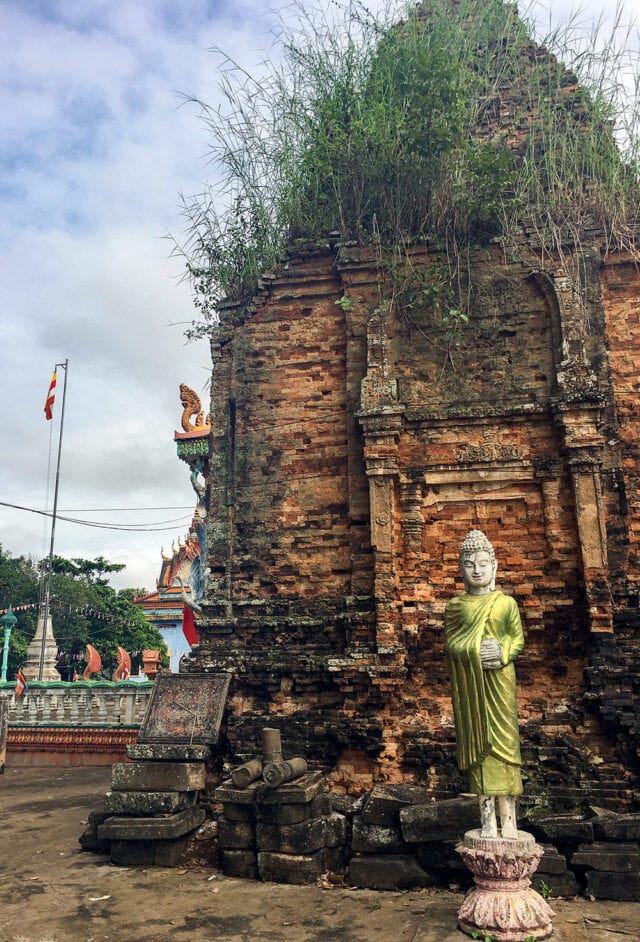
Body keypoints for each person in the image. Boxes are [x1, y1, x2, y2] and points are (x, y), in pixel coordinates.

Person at [444, 529, 525, 839]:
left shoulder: (506, 604)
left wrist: (503, 652)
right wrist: (475, 649)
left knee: (506, 748)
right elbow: (451, 645)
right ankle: (488, 822)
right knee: (481, 747)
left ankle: (510, 821)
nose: (476, 570)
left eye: (481, 563)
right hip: (472, 685)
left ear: (494, 565)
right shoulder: (456, 606)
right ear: (461, 570)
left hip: (500, 681)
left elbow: (517, 639)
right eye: (469, 564)